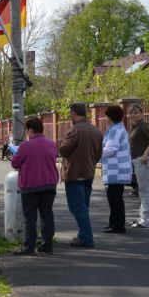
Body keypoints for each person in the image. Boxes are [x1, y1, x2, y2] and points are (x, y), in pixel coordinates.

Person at [10, 117, 59, 255]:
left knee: (30, 218)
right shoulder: (52, 144)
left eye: (27, 131)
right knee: (47, 215)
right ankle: (47, 245)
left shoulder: (26, 146)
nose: (27, 133)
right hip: (49, 185)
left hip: (30, 186)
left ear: (31, 130)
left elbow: (15, 163)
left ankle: (29, 246)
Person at [59, 103, 103, 248]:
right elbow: (99, 153)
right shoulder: (95, 130)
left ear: (73, 113)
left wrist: (60, 144)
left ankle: (86, 237)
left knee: (77, 207)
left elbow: (64, 151)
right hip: (89, 173)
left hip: (75, 173)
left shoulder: (75, 130)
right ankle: (83, 235)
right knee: (83, 206)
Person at [100, 105, 133, 234]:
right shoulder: (116, 129)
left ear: (110, 117)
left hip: (116, 170)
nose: (105, 118)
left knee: (115, 199)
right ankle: (113, 223)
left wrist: (96, 152)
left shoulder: (115, 130)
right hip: (116, 169)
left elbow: (110, 149)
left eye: (106, 115)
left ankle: (118, 226)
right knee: (113, 198)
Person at [127, 103, 149, 228]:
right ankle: (142, 218)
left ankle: (147, 220)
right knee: (143, 191)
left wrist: (146, 154)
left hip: (144, 161)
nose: (133, 115)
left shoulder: (143, 126)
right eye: (131, 113)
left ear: (141, 113)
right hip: (139, 161)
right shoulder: (135, 127)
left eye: (136, 112)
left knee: (146, 191)